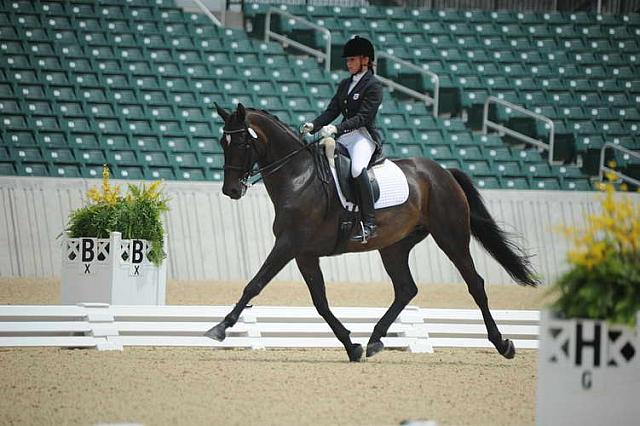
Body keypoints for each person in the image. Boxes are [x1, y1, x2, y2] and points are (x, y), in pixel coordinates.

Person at [301, 36, 384, 244]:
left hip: (363, 137)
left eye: (352, 60)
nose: (348, 64)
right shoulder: (345, 84)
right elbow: (332, 111)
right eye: (347, 61)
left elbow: (363, 117)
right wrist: (314, 124)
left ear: (365, 60)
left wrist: (337, 128)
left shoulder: (373, 86)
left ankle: (370, 223)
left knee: (356, 169)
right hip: (345, 135)